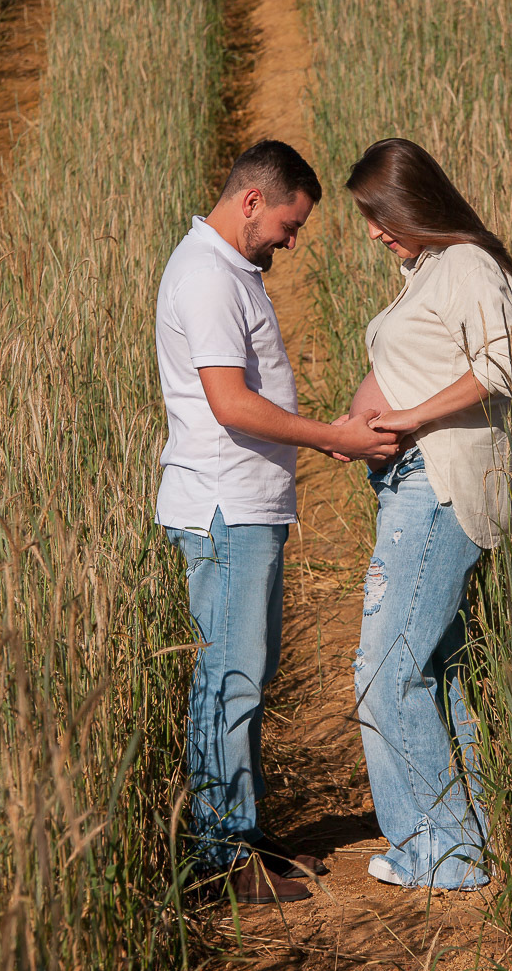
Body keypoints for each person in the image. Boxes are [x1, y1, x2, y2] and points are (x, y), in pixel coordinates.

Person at [155, 139, 398, 905]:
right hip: (223, 507)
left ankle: (242, 832)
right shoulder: (206, 275)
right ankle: (220, 857)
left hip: (241, 506)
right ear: (252, 201)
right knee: (229, 679)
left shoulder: (229, 270)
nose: (292, 243)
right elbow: (229, 403)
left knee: (245, 674)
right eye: (290, 226)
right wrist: (330, 436)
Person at [344, 138, 512, 891]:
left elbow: (504, 363)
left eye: (380, 216)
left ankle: (441, 850)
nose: (373, 233)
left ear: (414, 202)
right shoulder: (425, 272)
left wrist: (410, 418)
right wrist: (356, 427)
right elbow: (412, 365)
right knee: (431, 669)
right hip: (412, 483)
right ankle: (464, 842)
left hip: (439, 484)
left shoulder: (464, 264)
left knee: (383, 670)